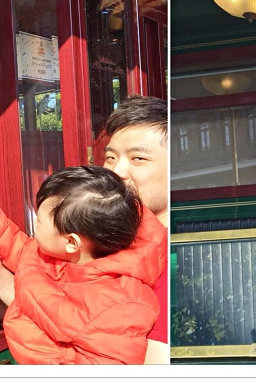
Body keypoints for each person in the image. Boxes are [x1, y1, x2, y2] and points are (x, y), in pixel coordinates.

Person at [0, 165, 166, 364]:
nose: (34, 225)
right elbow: (22, 251)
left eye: (39, 222)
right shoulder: (60, 255)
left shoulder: (119, 306)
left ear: (71, 242)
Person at [103, 95, 169, 363]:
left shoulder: (175, 256)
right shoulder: (108, 237)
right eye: (110, 157)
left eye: (138, 158)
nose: (117, 171)